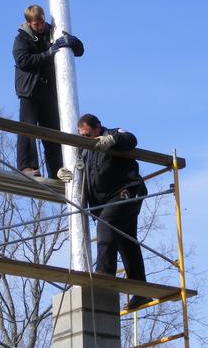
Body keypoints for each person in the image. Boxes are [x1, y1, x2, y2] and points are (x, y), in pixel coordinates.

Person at [59, 113, 151, 311]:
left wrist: (111, 140)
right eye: (82, 136)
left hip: (125, 192)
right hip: (107, 201)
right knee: (127, 241)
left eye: (88, 135)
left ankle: (104, 273)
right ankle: (141, 290)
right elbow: (82, 173)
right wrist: (64, 173)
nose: (86, 140)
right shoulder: (85, 151)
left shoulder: (111, 135)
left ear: (98, 127)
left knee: (106, 224)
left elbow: (130, 139)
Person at [12, 4, 84, 178]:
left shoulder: (54, 32)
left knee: (52, 131)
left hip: (49, 91)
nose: (40, 26)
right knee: (28, 128)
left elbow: (80, 51)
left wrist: (74, 42)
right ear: (29, 23)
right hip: (29, 90)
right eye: (36, 24)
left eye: (41, 23)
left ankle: (57, 170)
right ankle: (27, 166)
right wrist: (48, 53)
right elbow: (24, 61)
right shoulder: (22, 39)